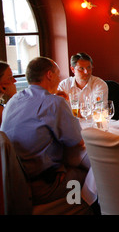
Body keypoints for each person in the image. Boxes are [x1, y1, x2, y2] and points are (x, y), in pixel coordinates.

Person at [0, 57, 90, 206]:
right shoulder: (54, 103)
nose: (59, 79)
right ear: (49, 75)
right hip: (42, 187)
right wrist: (63, 104)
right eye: (58, 75)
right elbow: (78, 141)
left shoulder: (13, 101)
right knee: (92, 174)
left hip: (15, 184)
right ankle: (80, 208)